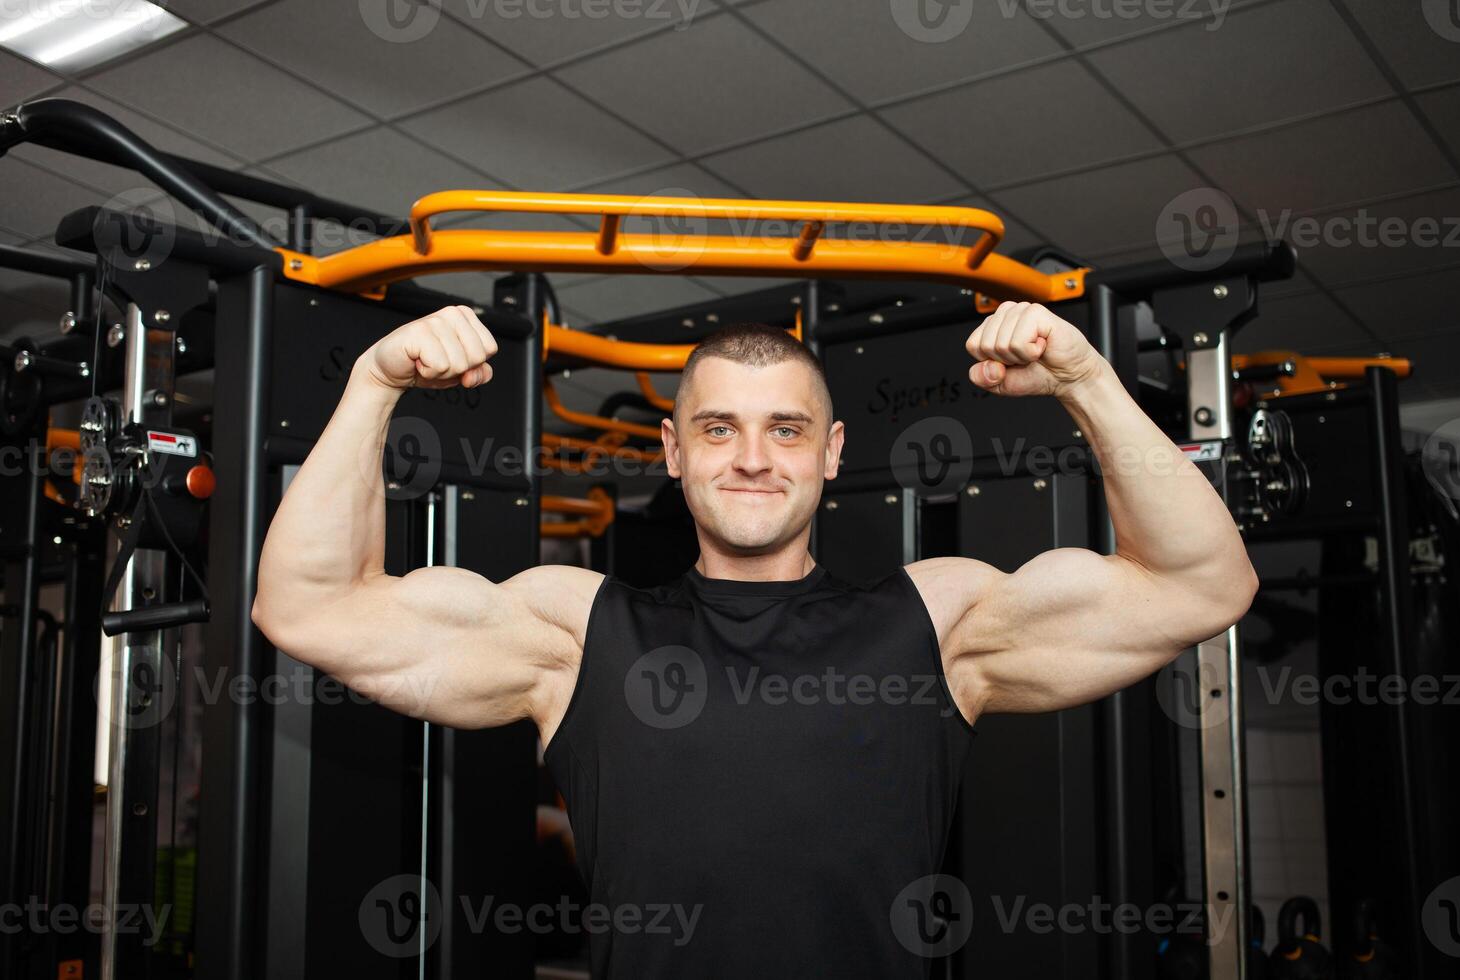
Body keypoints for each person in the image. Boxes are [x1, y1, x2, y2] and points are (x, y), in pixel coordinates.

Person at [252, 301, 1258, 977]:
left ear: (830, 455)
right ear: (674, 450)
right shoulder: (575, 631)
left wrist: (1085, 376)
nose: (751, 457)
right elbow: (309, 606)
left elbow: (1204, 581)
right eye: (719, 427)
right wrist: (376, 382)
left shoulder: (937, 624)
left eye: (785, 429)